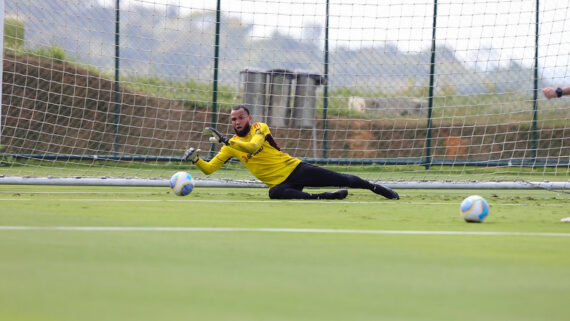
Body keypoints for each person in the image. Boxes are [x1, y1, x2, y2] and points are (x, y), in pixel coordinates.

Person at [183, 105, 399, 200]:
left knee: (342, 178)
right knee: (274, 193)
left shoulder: (260, 127)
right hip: (281, 184)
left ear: (249, 118)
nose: (237, 122)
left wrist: (228, 141)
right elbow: (210, 169)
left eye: (240, 118)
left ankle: (375, 187)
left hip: (295, 169)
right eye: (233, 119)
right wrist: (196, 160)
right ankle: (323, 198)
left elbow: (253, 147)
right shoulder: (230, 145)